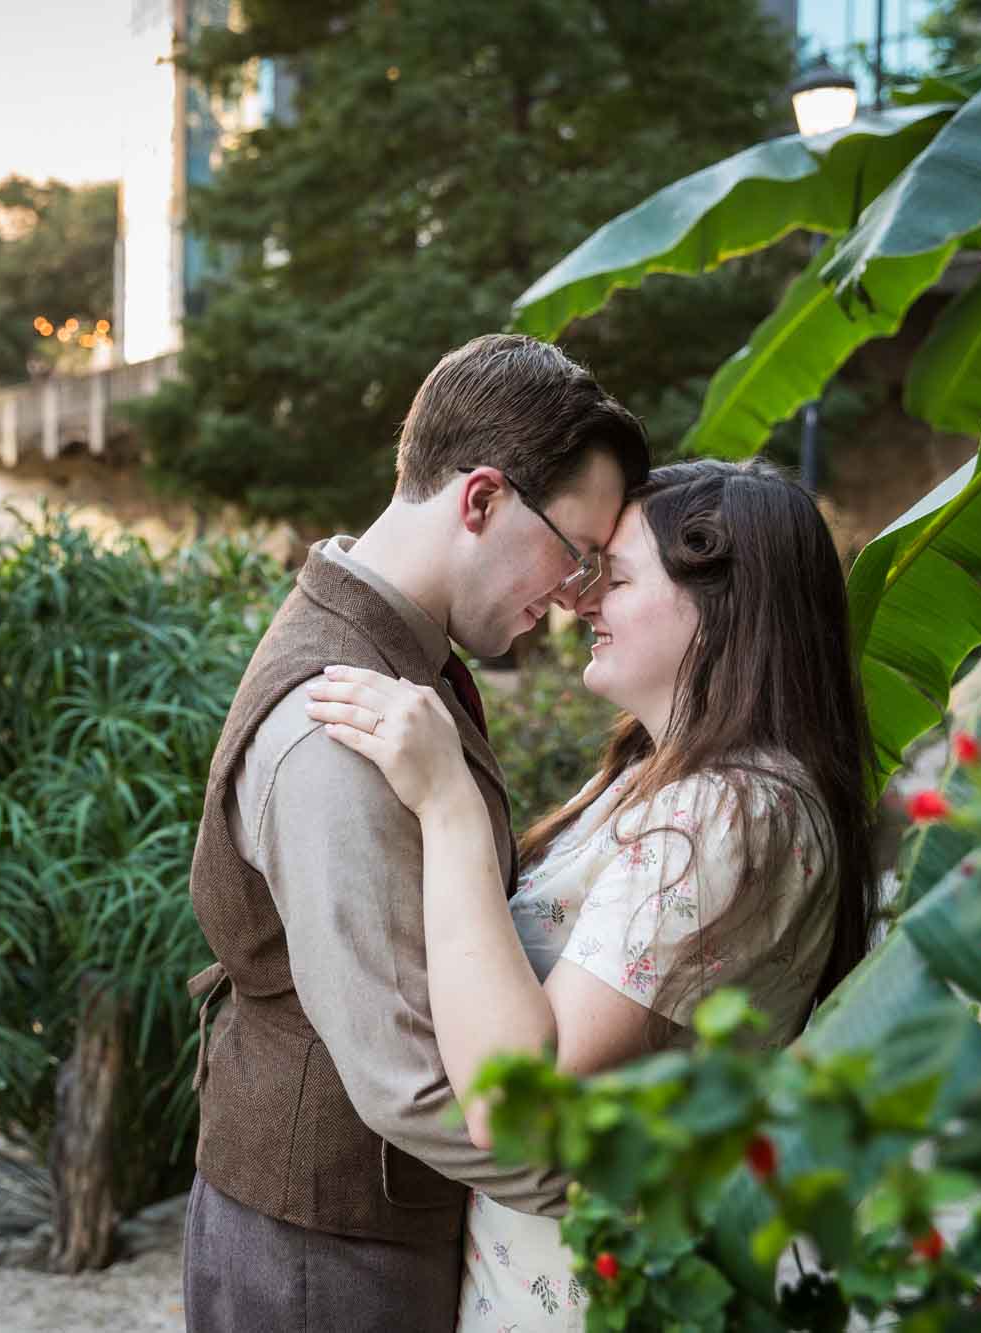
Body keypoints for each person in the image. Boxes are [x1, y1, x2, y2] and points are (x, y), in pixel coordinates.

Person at [305, 458, 877, 1328]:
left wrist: (449, 802)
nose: (579, 598)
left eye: (616, 574)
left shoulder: (733, 813)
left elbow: (511, 1099)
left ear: (717, 609)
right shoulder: (660, 776)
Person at [182, 333, 650, 1332]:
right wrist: (628, 1191)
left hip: (351, 1223)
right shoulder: (337, 723)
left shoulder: (398, 654)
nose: (573, 600)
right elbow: (410, 1082)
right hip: (327, 1246)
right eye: (573, 555)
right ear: (480, 500)